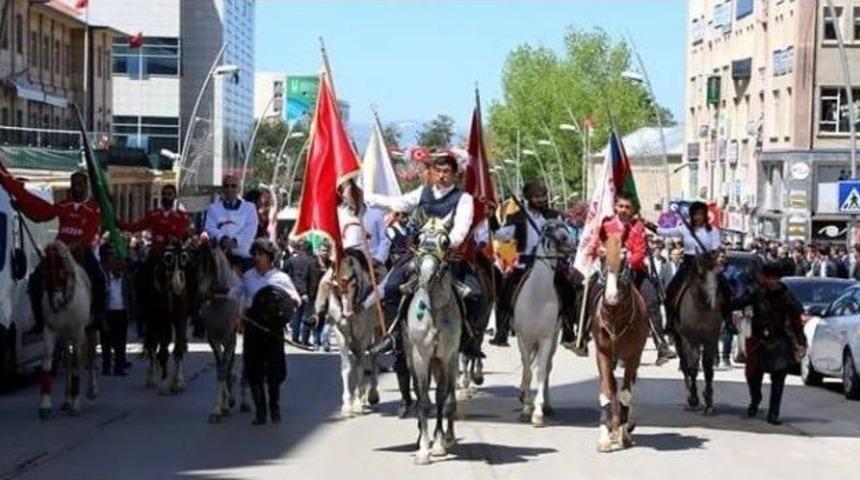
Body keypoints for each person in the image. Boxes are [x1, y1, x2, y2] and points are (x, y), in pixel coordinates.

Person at [366, 152, 485, 358]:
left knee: (476, 294)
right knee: (393, 286)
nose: (441, 176)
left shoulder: (463, 199)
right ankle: (393, 336)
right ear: (432, 173)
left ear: (455, 175)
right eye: (437, 171)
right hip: (418, 254)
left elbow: (461, 228)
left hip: (448, 255)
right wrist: (368, 197)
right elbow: (398, 203)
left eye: (446, 172)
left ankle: (469, 338)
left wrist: (447, 243)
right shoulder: (422, 192)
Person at [0, 168, 106, 335]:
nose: (76, 188)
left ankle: (98, 316)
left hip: (81, 252)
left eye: (80, 185)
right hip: (59, 252)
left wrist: (74, 246)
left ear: (86, 187)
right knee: (35, 280)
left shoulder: (93, 209)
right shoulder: (63, 205)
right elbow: (41, 215)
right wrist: (22, 209)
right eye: (74, 184)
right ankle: (39, 321)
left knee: (100, 278)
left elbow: (89, 234)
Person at [491, 182, 577, 349]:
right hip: (525, 262)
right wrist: (492, 221)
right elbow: (502, 235)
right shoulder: (516, 217)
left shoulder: (555, 216)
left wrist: (564, 243)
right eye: (536, 196)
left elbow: (568, 238)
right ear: (528, 198)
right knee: (505, 291)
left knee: (568, 289)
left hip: (550, 263)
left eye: (543, 196)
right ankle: (501, 331)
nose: (541, 199)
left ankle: (568, 330)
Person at [230, 238, 301, 425]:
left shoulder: (281, 278)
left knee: (275, 371)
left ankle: (274, 407)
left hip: (273, 329)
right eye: (255, 254)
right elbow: (236, 292)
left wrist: (290, 304)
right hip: (253, 327)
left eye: (260, 254)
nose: (257, 257)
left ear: (270, 257)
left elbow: (295, 298)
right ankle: (260, 412)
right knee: (254, 370)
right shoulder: (248, 277)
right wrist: (233, 307)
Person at [728, 261, 806, 425]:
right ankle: (755, 399)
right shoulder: (756, 292)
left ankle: (773, 413)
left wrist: (801, 340)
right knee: (753, 376)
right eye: (767, 278)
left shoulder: (786, 294)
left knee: (779, 378)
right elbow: (738, 303)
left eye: (773, 279)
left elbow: (796, 319)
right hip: (758, 340)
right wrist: (723, 304)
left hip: (779, 341)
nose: (770, 282)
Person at [646, 201, 722, 335]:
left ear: (705, 215)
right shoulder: (684, 228)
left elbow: (716, 249)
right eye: (695, 214)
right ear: (691, 215)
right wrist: (646, 224)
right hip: (688, 264)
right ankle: (670, 322)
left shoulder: (712, 231)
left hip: (706, 263)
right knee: (670, 290)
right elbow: (663, 232)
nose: (698, 217)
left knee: (724, 287)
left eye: (701, 214)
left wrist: (713, 261)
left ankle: (727, 320)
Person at [204, 174, 259, 271]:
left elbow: (251, 229)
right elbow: (210, 227)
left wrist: (235, 241)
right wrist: (222, 238)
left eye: (233, 186)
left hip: (243, 258)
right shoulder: (213, 208)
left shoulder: (249, 207)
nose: (229, 189)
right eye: (226, 186)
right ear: (223, 189)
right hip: (219, 259)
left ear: (239, 188)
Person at [102, 252, 134, 376]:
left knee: (120, 341)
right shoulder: (105, 278)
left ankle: (119, 366)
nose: (119, 270)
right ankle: (106, 365)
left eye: (121, 267)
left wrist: (131, 313)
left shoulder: (125, 278)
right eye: (117, 266)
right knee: (106, 341)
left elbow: (130, 295)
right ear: (111, 266)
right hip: (108, 313)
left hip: (122, 312)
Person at [282, 240, 315, 346]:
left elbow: (283, 272)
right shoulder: (312, 261)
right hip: (307, 292)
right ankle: (305, 339)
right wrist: (311, 294)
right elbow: (313, 279)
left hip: (294, 290)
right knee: (307, 316)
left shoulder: (291, 260)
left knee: (296, 315)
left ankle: (295, 338)